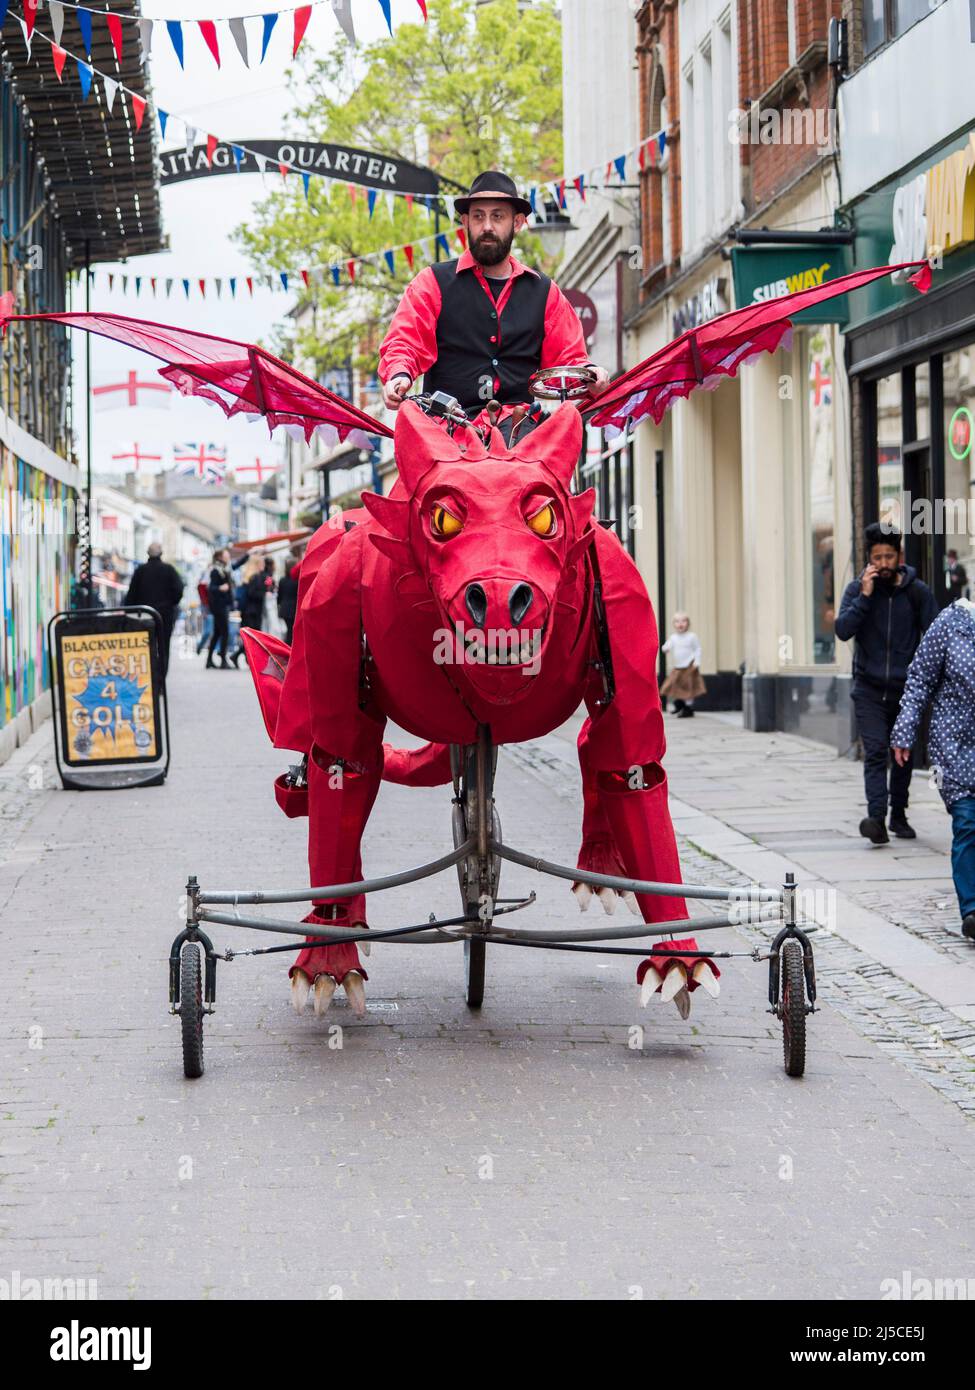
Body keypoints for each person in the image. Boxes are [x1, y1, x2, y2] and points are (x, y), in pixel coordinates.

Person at [378, 170, 610, 416]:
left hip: (520, 438)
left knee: (567, 422)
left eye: (497, 216)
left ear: (517, 223)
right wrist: (399, 374)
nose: (487, 226)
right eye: (478, 217)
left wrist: (590, 375)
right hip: (447, 437)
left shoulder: (544, 292)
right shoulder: (432, 283)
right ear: (466, 222)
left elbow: (569, 360)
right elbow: (405, 342)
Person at [835, 523, 938, 844]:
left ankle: (899, 814)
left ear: (899, 556)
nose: (882, 563)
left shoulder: (917, 592)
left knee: (902, 754)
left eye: (888, 556)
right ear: (869, 558)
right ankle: (876, 818)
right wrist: (864, 598)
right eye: (876, 557)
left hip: (907, 690)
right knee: (877, 751)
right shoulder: (856, 590)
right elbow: (842, 630)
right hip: (867, 687)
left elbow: (935, 636)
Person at [891, 596, 975, 939]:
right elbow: (920, 679)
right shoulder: (952, 622)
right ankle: (972, 909)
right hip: (953, 745)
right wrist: (905, 731)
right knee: (967, 821)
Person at [124, 541, 184, 678]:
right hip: (164, 616)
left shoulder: (140, 571)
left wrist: (129, 614)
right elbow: (179, 590)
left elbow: (131, 595)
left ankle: (149, 680)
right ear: (161, 553)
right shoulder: (169, 570)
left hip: (143, 617)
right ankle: (161, 681)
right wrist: (170, 604)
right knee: (163, 648)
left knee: (144, 648)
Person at [660, 612, 706, 718]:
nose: (680, 624)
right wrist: (665, 648)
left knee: (688, 687)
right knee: (676, 686)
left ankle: (688, 708)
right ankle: (679, 704)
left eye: (683, 621)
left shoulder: (691, 636)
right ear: (674, 624)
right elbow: (667, 646)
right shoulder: (673, 637)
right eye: (677, 621)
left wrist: (697, 662)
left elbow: (697, 649)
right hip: (678, 667)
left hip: (689, 666)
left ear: (688, 624)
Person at [206, 547, 235, 670]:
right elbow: (211, 588)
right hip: (219, 606)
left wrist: (247, 556)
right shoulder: (215, 571)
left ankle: (209, 661)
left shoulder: (224, 569)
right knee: (224, 632)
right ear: (220, 557)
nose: (228, 556)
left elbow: (236, 565)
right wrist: (220, 588)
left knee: (218, 633)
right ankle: (223, 660)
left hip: (222, 605)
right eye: (226, 555)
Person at [276, 551, 301, 644]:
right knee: (292, 632)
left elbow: (279, 596)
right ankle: (288, 651)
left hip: (284, 609)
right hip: (293, 609)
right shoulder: (297, 581)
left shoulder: (282, 580)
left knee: (290, 631)